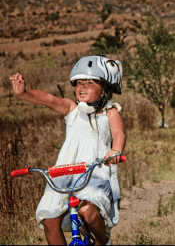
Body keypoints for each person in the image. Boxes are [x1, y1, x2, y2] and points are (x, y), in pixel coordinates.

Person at [9, 55, 126, 245]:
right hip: (65, 172)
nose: (82, 87)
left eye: (89, 82)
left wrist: (115, 150)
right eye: (79, 82)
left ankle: (104, 242)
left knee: (88, 211)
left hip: (94, 172)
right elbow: (48, 99)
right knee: (50, 220)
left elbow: (119, 133)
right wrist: (24, 93)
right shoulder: (73, 110)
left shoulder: (110, 112)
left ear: (105, 88)